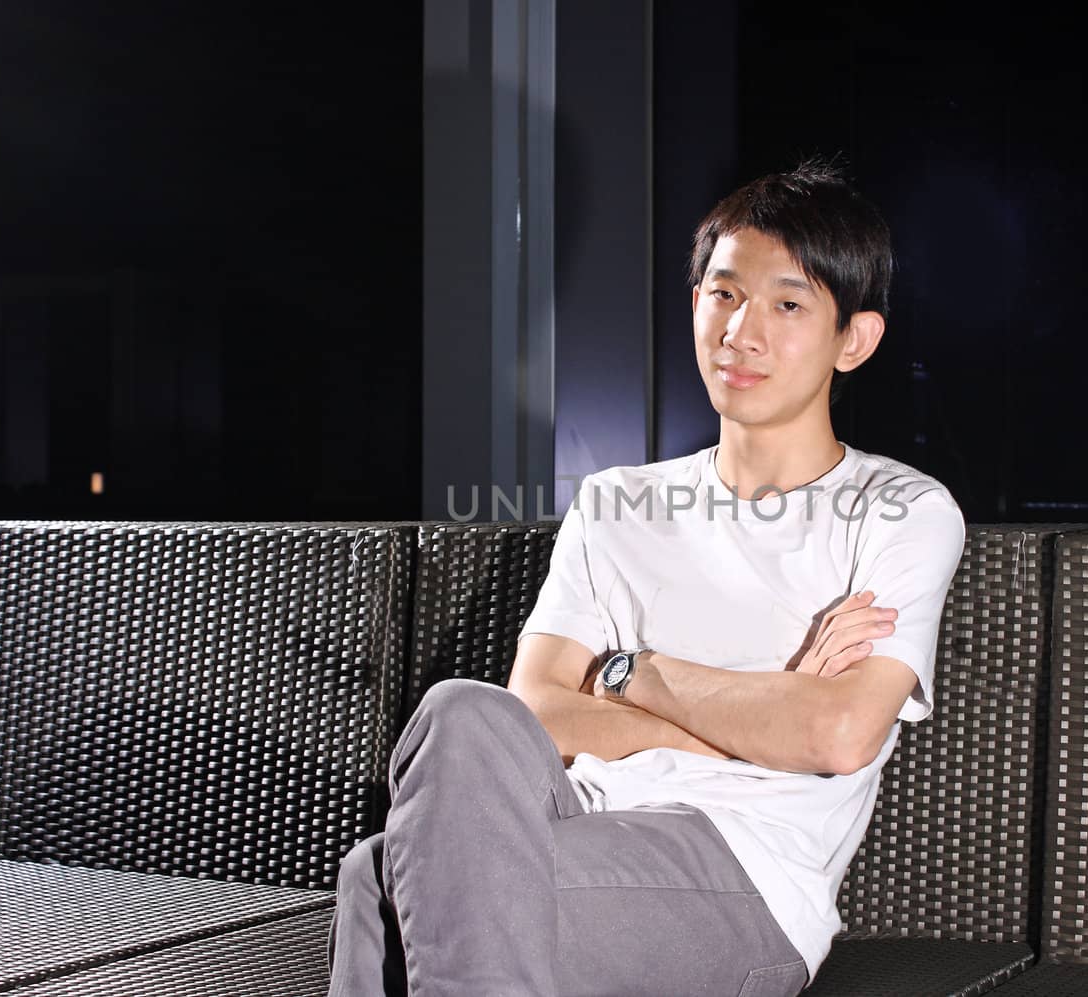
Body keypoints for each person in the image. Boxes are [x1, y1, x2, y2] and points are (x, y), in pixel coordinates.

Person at [328, 160, 966, 996]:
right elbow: (539, 712)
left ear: (855, 338)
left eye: (787, 303)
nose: (742, 331)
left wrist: (633, 674)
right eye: (724, 293)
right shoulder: (618, 500)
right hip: (570, 822)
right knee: (463, 710)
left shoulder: (898, 510)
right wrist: (760, 716)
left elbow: (839, 734)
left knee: (381, 873)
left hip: (745, 872)